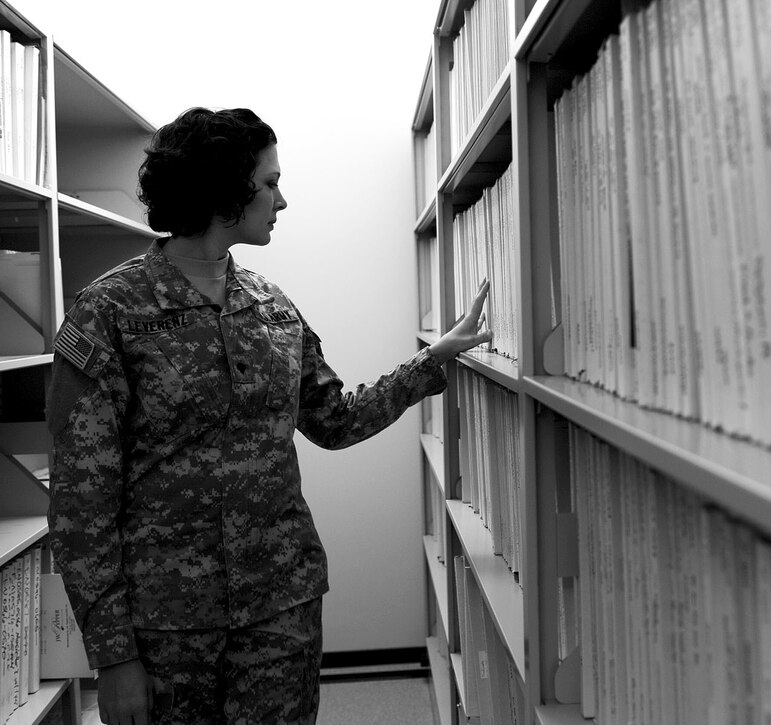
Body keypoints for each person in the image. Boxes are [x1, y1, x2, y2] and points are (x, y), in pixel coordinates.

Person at [46, 107, 491, 725]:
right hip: (166, 629)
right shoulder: (109, 313)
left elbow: (332, 421)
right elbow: (80, 504)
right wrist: (114, 656)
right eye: (270, 183)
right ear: (224, 190)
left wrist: (429, 363)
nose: (282, 201)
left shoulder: (272, 308)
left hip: (282, 609)